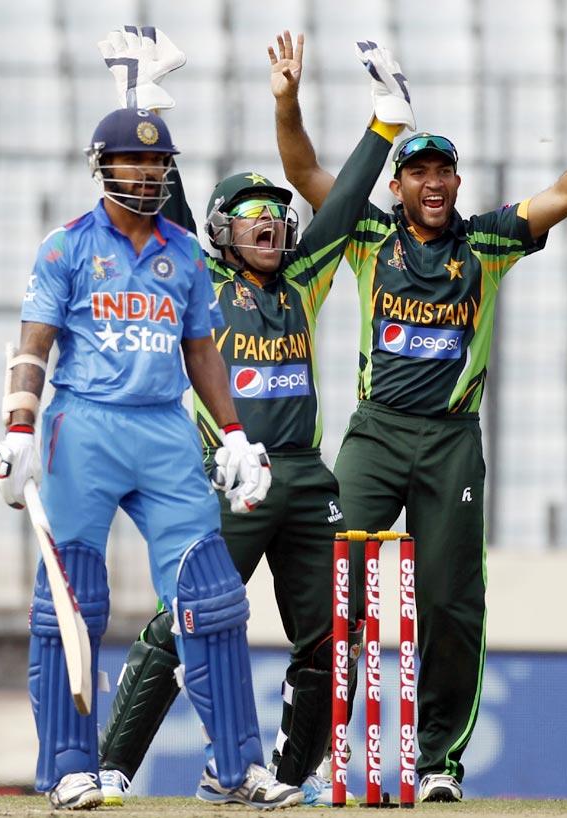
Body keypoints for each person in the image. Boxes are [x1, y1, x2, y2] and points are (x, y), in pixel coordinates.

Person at [273, 53, 567, 802]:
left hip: (450, 441)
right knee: (338, 589)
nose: (434, 183)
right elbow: (306, 169)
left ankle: (437, 761)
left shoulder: (488, 244)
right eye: (419, 171)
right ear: (397, 183)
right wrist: (288, 101)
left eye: (444, 172)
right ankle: (306, 755)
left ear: (456, 183)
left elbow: (563, 194)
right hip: (374, 434)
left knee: (449, 600)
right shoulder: (370, 236)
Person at [92, 27, 414, 808]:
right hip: (232, 478)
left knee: (330, 642)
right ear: (218, 230)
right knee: (186, 626)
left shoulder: (302, 281)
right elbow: (155, 192)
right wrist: (138, 100)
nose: (269, 224)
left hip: (307, 478)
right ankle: (109, 769)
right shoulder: (193, 274)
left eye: (275, 213)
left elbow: (338, 211)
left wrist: (384, 127)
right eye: (249, 215)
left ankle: (284, 778)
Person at [0, 104, 301, 811]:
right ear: (104, 167)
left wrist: (236, 433)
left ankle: (235, 768)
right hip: (84, 425)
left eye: (159, 162)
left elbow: (201, 351)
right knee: (72, 599)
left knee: (212, 596)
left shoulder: (185, 252)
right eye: (136, 161)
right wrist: (19, 431)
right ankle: (70, 767)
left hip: (163, 430)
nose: (151, 172)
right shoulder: (65, 248)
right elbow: (34, 346)